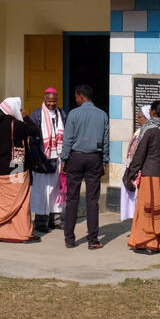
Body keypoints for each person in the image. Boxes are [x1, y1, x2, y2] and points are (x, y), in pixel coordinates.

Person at [59, 85, 109, 250]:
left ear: (80, 97)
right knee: (92, 200)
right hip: (94, 157)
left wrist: (64, 159)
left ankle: (69, 239)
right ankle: (93, 239)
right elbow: (106, 140)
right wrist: (104, 161)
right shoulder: (102, 115)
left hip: (76, 157)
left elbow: (68, 139)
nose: (75, 100)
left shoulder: (73, 114)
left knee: (72, 198)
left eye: (76, 97)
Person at [125, 100, 160, 254]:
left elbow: (140, 155)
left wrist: (130, 174)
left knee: (149, 208)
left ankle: (148, 242)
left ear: (153, 112)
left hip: (151, 174)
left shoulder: (150, 130)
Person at [0, 97, 39, 243]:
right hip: (17, 167)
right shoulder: (17, 125)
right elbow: (35, 131)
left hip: (0, 170)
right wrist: (26, 117)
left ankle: (3, 233)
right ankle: (22, 234)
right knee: (21, 202)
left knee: (5, 202)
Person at [30, 88, 66, 233]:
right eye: (49, 101)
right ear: (44, 100)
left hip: (57, 157)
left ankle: (55, 220)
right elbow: (33, 138)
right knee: (42, 191)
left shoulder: (61, 113)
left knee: (56, 189)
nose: (51, 104)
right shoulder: (37, 114)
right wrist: (37, 159)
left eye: (54, 101)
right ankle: (40, 222)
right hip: (42, 158)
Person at [119, 105, 149, 222]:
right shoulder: (139, 131)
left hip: (140, 171)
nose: (138, 119)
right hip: (132, 168)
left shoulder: (147, 132)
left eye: (140, 117)